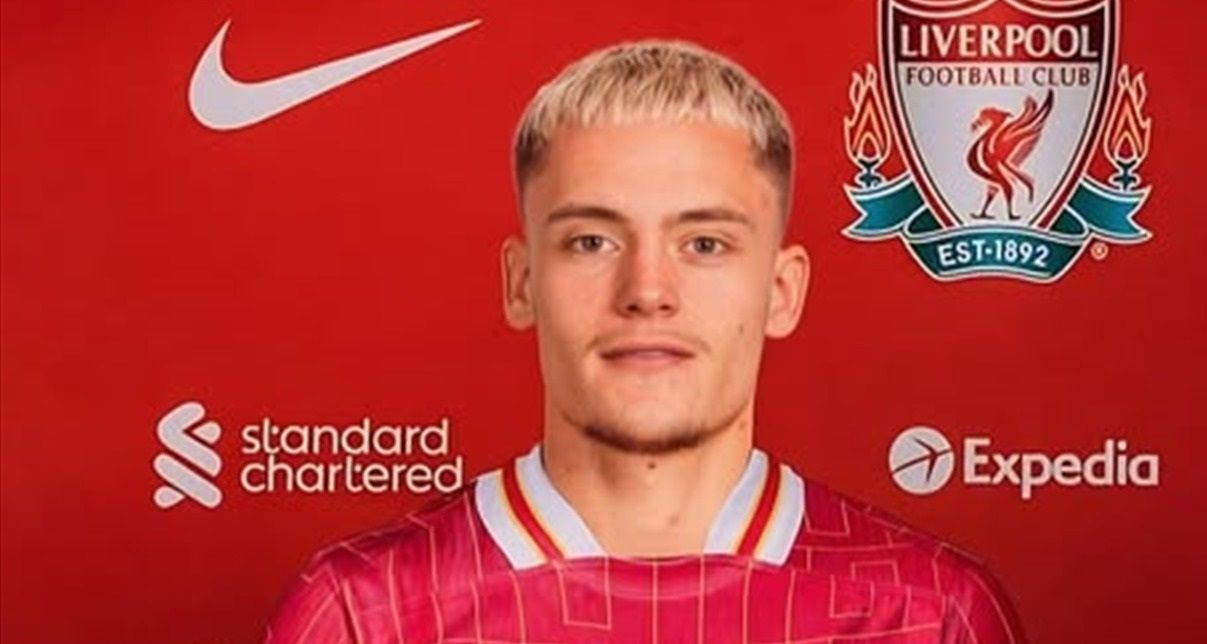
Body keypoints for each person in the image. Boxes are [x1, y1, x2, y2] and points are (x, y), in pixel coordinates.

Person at [264, 40, 1025, 643]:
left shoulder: (928, 613)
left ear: (782, 290)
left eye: (705, 244)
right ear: (521, 283)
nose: (648, 289)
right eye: (592, 241)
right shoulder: (364, 614)